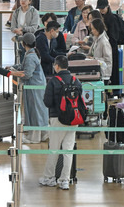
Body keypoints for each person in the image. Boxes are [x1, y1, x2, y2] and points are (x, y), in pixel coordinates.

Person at [38, 56, 81, 190]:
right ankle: (64, 180)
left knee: (54, 149)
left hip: (57, 119)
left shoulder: (53, 81)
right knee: (68, 150)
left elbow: (47, 102)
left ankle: (49, 177)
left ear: (57, 66)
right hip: (73, 119)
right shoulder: (76, 81)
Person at [12, 33, 48, 143]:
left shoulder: (30, 56)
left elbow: (27, 74)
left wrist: (13, 72)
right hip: (36, 86)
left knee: (35, 111)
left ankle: (35, 137)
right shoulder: (32, 54)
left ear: (24, 44)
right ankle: (42, 134)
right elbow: (25, 67)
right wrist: (14, 67)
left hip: (34, 88)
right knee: (38, 110)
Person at [96, 0, 121, 89]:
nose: (101, 10)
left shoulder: (112, 19)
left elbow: (114, 36)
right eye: (100, 8)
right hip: (105, 47)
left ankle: (113, 89)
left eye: (103, 8)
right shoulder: (101, 17)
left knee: (112, 69)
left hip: (111, 48)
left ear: (108, 6)